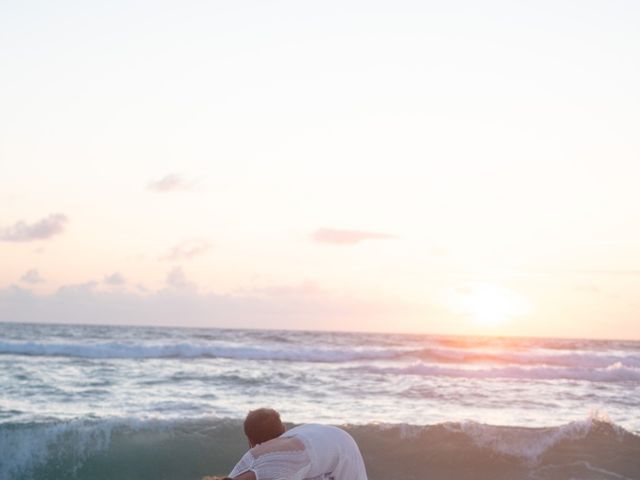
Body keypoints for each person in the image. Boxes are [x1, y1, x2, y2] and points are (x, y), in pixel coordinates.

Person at [204, 408, 368, 480]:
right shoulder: (250, 460)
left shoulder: (272, 470)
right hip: (321, 437)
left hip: (342, 451)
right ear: (283, 430)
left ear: (250, 441)